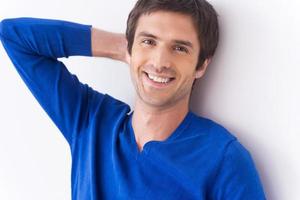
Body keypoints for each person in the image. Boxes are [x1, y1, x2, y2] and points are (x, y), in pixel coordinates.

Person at [0, 0, 266, 199]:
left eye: (179, 48)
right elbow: (15, 36)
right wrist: (124, 49)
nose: (160, 62)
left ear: (201, 66)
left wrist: (141, 49)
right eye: (149, 42)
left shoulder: (224, 158)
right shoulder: (90, 122)